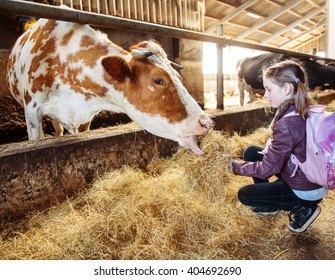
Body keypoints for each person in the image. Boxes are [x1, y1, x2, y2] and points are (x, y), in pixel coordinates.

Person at [228, 59, 328, 233]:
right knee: (252, 152)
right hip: (309, 173)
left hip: (304, 188)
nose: (265, 95)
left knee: (244, 195)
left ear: (287, 89)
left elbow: (267, 169)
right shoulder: (303, 106)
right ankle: (273, 204)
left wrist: (234, 166)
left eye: (268, 89)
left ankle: (304, 207)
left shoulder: (288, 124)